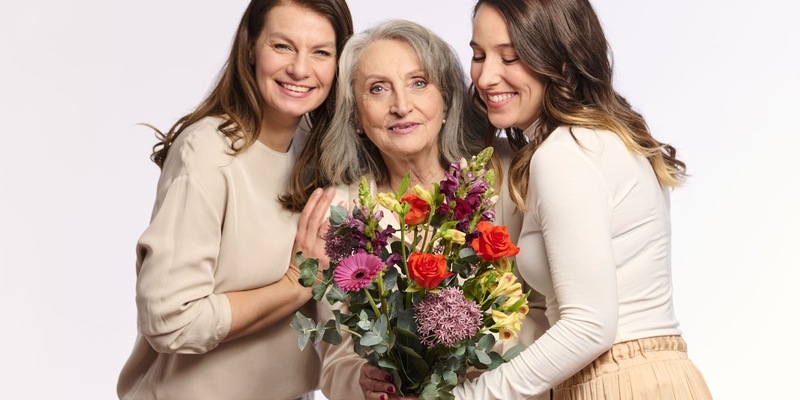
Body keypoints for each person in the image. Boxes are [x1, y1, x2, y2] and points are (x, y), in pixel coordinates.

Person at [360, 0, 714, 399]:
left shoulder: (565, 154)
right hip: (645, 376)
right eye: (478, 55)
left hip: (617, 382)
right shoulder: (597, 138)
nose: (486, 76)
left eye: (510, 57)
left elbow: (589, 325)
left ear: (560, 59)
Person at [298, 19, 548, 400]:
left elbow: (552, 313)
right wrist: (361, 382)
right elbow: (334, 360)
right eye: (378, 89)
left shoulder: (508, 175)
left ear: (445, 99)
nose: (401, 106)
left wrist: (470, 359)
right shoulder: (344, 210)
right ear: (357, 117)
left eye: (419, 83)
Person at [116, 1, 353, 399]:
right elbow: (171, 319)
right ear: (249, 47)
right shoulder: (207, 151)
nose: (300, 68)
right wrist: (296, 284)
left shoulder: (321, 154)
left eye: (321, 52)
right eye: (282, 46)